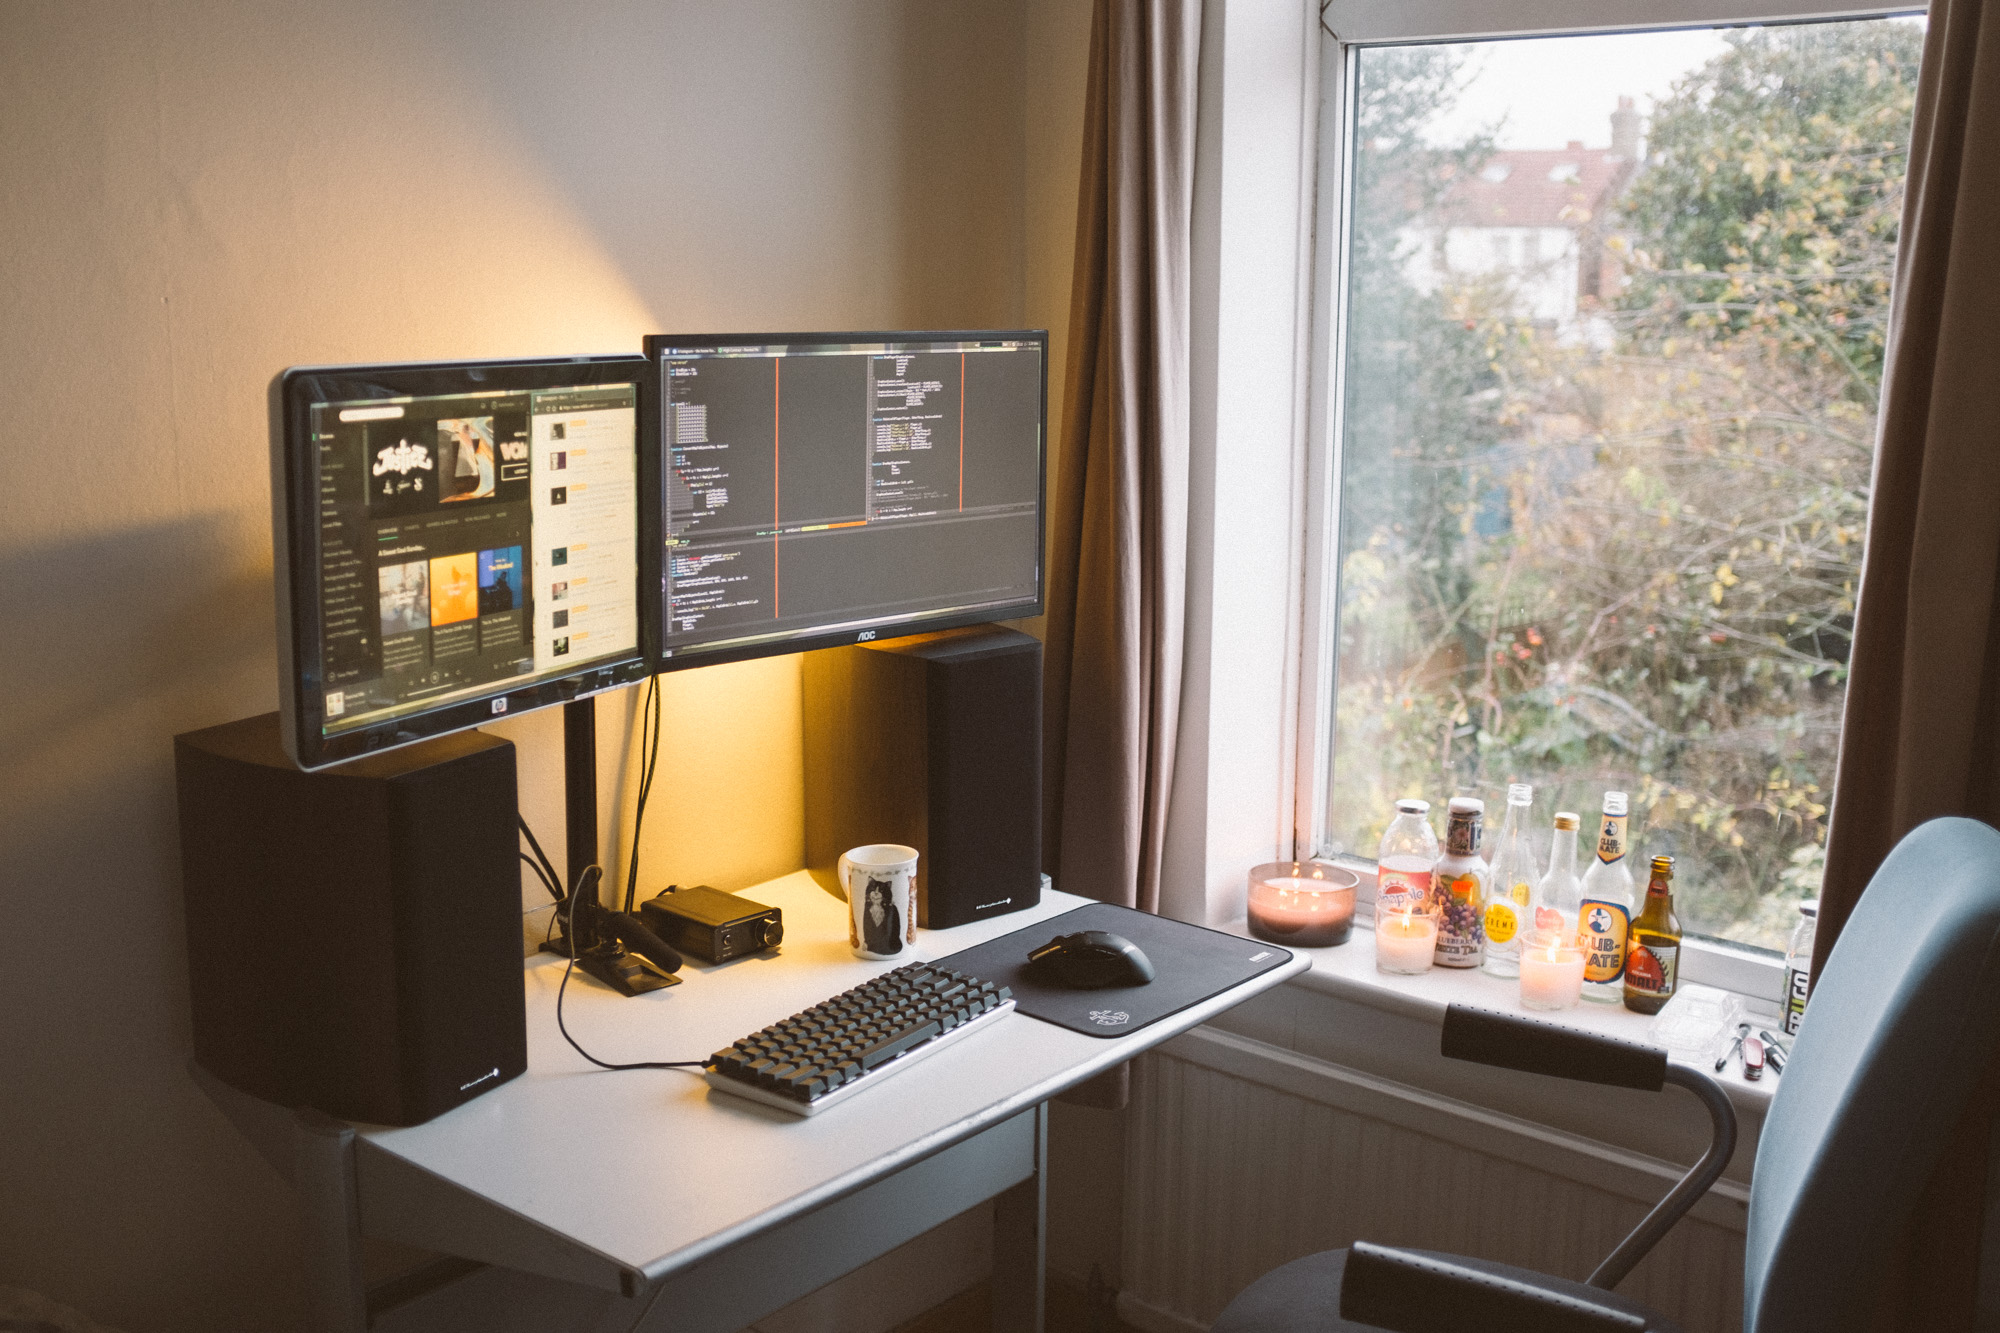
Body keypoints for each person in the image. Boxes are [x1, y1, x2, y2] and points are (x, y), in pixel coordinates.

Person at [862, 878, 903, 956]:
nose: (876, 893)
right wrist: (866, 941)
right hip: (871, 946)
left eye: (880, 891)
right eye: (873, 891)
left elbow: (895, 930)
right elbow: (866, 926)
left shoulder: (891, 908)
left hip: (890, 945)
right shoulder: (868, 906)